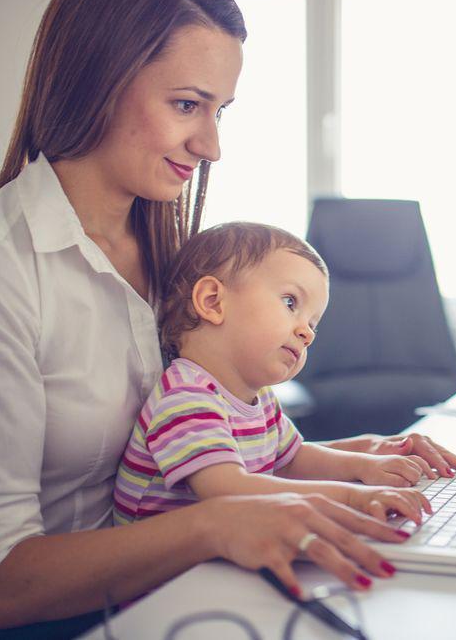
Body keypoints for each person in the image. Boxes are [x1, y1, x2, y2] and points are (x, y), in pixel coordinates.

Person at [0, 0, 456, 638]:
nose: (211, 146)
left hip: (148, 589)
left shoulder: (170, 254)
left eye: (220, 110)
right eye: (186, 104)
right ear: (97, 79)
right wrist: (213, 523)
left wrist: (363, 455)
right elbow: (2, 583)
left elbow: (204, 441)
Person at [114, 222, 434, 532]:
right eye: (291, 302)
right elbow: (228, 489)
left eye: (313, 323)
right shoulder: (185, 398)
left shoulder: (259, 397)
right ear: (212, 301)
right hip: (167, 578)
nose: (307, 333)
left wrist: (365, 466)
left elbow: (291, 458)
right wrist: (352, 496)